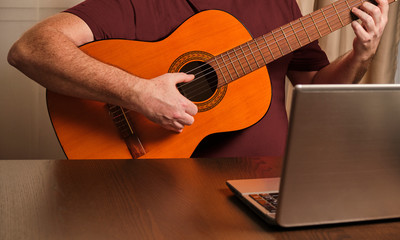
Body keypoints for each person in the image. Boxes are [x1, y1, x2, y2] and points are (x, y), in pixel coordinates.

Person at [7, 0, 389, 158]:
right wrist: (138, 93)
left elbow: (314, 87)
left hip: (266, 185)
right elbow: (30, 49)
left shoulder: (280, 4)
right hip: (160, 189)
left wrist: (362, 55)